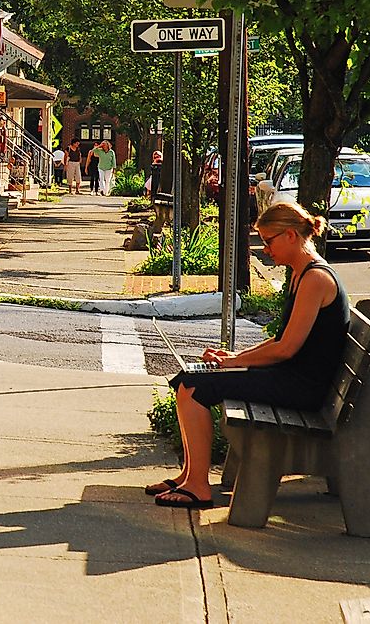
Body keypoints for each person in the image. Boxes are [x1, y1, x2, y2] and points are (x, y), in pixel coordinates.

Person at [146, 202, 348, 508]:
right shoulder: (300, 274)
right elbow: (282, 341)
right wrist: (235, 357)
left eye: (269, 240)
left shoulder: (315, 279)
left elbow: (285, 349)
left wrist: (234, 363)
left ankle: (199, 487)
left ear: (291, 235)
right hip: (294, 378)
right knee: (189, 379)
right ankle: (189, 475)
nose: (265, 249)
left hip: (304, 388)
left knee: (195, 387)